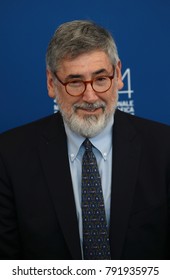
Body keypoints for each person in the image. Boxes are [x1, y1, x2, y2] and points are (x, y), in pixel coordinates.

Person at [0, 20, 170, 260]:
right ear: (51, 83)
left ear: (118, 75)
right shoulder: (9, 155)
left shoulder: (164, 148)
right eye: (75, 82)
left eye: (101, 79)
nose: (90, 97)